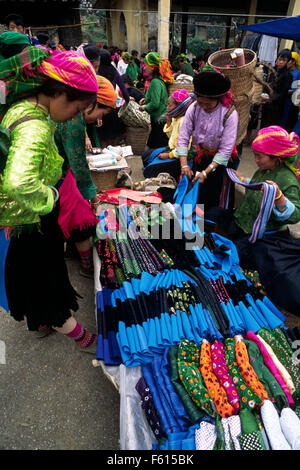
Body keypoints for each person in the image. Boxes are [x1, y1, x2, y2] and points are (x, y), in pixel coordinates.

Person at [0, 47, 100, 350]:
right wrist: (51, 197)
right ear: (59, 94)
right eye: (77, 108)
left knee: (31, 277)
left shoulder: (21, 108)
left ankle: (41, 319)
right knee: (46, 281)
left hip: (23, 220)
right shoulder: (35, 127)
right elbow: (19, 181)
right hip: (35, 222)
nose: (74, 116)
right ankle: (80, 336)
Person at [204, 126, 300, 314]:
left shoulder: (288, 180)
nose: (255, 160)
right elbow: (256, 188)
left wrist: (279, 198)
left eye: (260, 156)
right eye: (254, 155)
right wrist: (245, 180)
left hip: (263, 234)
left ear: (276, 157)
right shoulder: (263, 170)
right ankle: (194, 245)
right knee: (210, 214)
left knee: (232, 256)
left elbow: (295, 214)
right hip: (243, 220)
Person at [55, 75, 117, 277]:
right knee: (81, 216)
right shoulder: (73, 120)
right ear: (91, 103)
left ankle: (71, 251)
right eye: (101, 112)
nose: (99, 119)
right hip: (57, 173)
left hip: (59, 170)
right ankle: (86, 265)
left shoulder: (71, 113)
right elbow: (78, 164)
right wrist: (93, 197)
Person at [176, 65, 239, 209]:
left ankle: (213, 226)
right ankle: (197, 225)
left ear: (218, 99)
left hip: (220, 163)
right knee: (197, 196)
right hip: (202, 156)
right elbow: (184, 136)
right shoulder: (194, 107)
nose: (204, 107)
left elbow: (225, 150)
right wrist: (184, 164)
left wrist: (206, 172)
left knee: (216, 199)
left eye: (208, 104)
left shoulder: (229, 114)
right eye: (200, 102)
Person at [142, 89, 195, 181]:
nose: (167, 108)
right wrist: (169, 120)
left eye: (170, 105)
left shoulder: (184, 121)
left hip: (180, 156)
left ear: (179, 106)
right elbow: (171, 137)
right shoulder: (176, 117)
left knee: (149, 171)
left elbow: (184, 148)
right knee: (145, 155)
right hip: (173, 149)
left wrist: (169, 155)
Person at [139, 51, 173, 148]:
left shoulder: (155, 82)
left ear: (153, 67)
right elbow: (156, 98)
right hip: (159, 120)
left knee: (156, 147)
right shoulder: (158, 81)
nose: (144, 67)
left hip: (158, 121)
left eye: (146, 65)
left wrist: (143, 107)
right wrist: (145, 100)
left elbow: (155, 104)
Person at [260, 49, 293, 129]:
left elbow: (283, 93)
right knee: (262, 125)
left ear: (288, 62)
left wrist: (271, 98)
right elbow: (267, 85)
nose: (281, 62)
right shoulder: (272, 70)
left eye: (284, 60)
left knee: (270, 127)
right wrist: (264, 95)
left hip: (276, 108)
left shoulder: (287, 75)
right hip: (267, 104)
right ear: (276, 59)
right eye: (280, 59)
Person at [281, 51, 300, 132]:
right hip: (282, 98)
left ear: (293, 62)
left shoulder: (298, 73)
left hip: (291, 101)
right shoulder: (285, 71)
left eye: (288, 60)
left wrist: (292, 91)